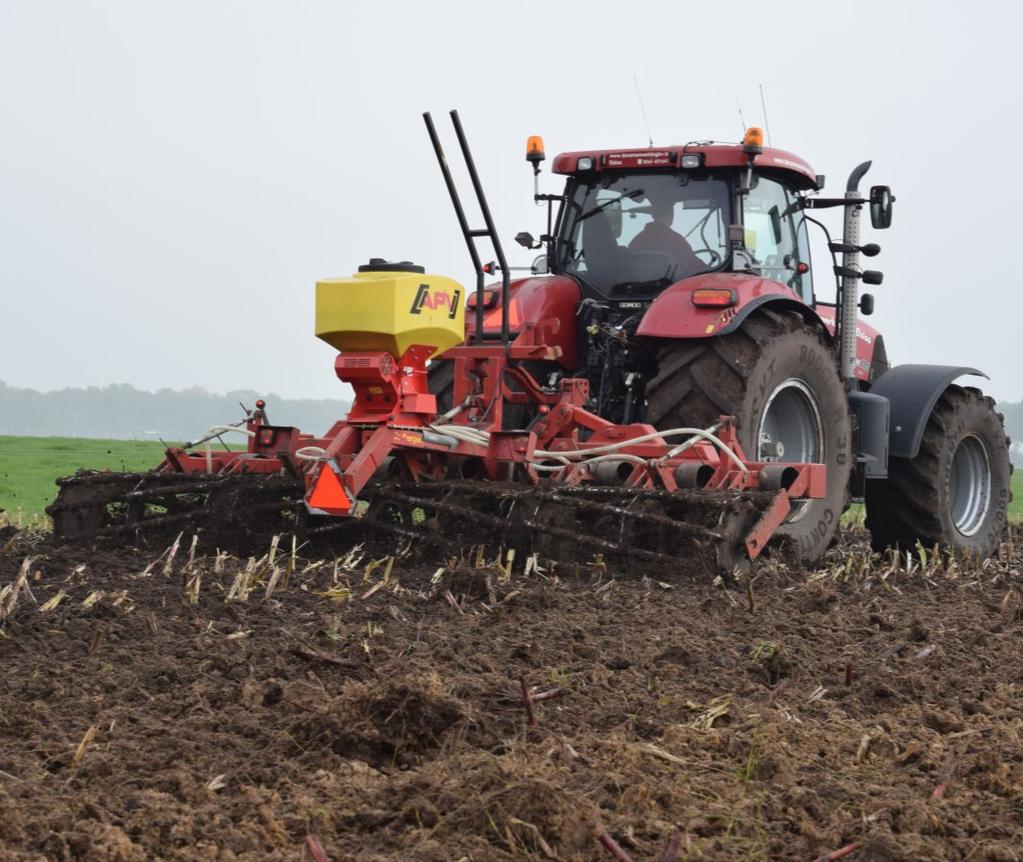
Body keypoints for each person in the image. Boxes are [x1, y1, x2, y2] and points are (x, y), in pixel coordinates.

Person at [628, 196, 705, 279]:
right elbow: (694, 265)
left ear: (653, 215)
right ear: (671, 215)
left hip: (638, 289)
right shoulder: (675, 239)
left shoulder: (636, 240)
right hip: (670, 288)